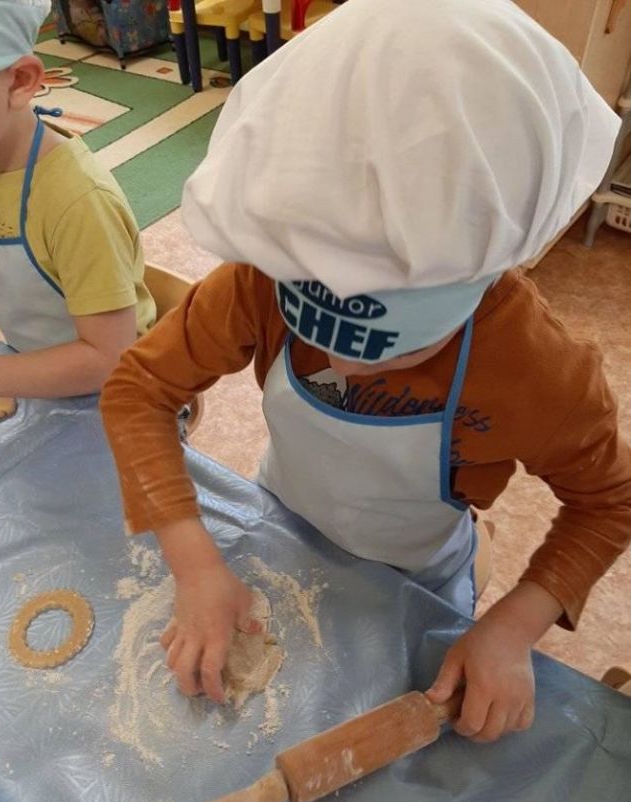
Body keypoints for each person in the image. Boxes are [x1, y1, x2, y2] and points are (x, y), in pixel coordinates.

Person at [100, 0, 631, 743]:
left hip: (416, 574)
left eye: (396, 346)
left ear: (481, 272)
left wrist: (514, 627)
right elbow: (138, 392)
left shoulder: (535, 369)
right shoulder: (260, 278)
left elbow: (609, 502)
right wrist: (193, 563)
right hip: (283, 521)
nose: (344, 365)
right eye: (313, 326)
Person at [0, 0, 155, 400]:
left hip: (121, 396)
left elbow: (108, 359)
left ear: (19, 82)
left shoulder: (78, 202)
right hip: (41, 372)